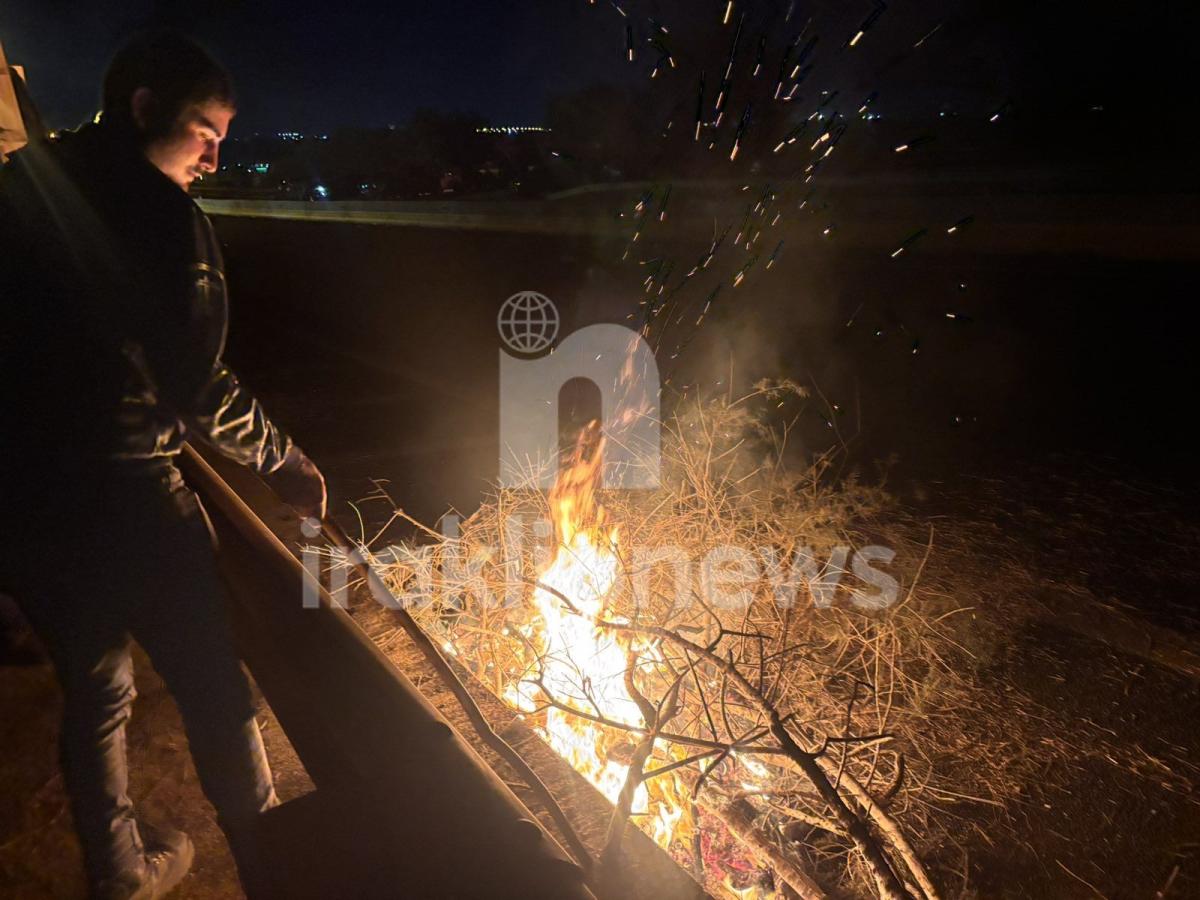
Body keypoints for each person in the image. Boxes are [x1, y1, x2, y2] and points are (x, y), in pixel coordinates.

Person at [0, 31, 325, 899]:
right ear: (143, 106)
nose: (216, 158)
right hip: (132, 499)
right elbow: (196, 380)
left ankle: (119, 872)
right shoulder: (165, 222)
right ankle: (271, 864)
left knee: (98, 695)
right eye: (205, 132)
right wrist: (283, 459)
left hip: (28, 499)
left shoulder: (19, 183)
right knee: (216, 689)